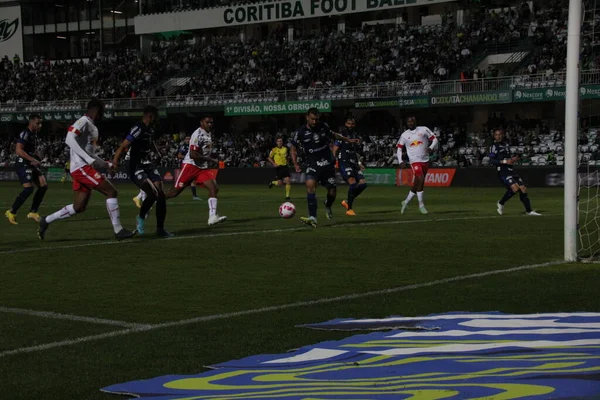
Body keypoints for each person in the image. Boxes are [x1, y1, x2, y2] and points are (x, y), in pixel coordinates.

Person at [38, 99, 135, 240]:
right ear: (96, 111)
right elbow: (69, 138)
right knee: (111, 191)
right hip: (81, 168)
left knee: (79, 206)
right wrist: (87, 159)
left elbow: (90, 153)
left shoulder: (92, 127)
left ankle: (45, 220)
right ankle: (118, 230)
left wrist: (106, 164)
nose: (103, 114)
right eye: (102, 111)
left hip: (82, 167)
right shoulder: (83, 121)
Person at [290, 108, 360, 227]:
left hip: (327, 163)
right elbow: (293, 148)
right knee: (310, 185)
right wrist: (295, 164)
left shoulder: (323, 126)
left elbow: (334, 135)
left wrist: (347, 140)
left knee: (332, 193)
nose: (315, 122)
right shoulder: (300, 132)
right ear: (307, 117)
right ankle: (313, 217)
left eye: (317, 119)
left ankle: (328, 205)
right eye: (312, 119)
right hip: (312, 164)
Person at [112, 105, 173, 237]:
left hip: (147, 163)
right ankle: (140, 218)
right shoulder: (138, 127)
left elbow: (150, 143)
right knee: (153, 193)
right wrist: (115, 161)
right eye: (156, 117)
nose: (157, 120)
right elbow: (124, 145)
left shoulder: (150, 129)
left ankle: (160, 229)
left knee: (160, 195)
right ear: (150, 116)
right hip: (134, 165)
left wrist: (157, 153)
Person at [166, 115, 227, 226]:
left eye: (211, 122)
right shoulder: (197, 134)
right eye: (207, 122)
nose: (210, 124)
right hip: (190, 166)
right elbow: (193, 155)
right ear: (201, 122)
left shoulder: (208, 133)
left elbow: (203, 151)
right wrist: (211, 159)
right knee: (174, 192)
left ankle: (212, 217)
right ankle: (154, 201)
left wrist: (212, 157)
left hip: (201, 168)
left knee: (214, 188)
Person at [5, 114, 48, 225]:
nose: (40, 125)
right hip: (23, 163)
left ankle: (33, 212)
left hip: (30, 163)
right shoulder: (25, 133)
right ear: (31, 122)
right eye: (38, 123)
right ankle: (11, 212)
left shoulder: (34, 135)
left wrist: (36, 157)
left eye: (41, 123)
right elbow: (18, 150)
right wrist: (32, 159)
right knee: (28, 189)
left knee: (43, 186)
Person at [489, 129, 541, 216]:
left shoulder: (506, 145)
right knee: (515, 188)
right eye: (497, 135)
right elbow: (491, 160)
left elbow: (507, 158)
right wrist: (505, 162)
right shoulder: (494, 146)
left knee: (523, 189)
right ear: (494, 136)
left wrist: (513, 159)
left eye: (501, 134)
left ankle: (529, 211)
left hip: (510, 170)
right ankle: (501, 203)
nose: (499, 136)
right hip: (502, 170)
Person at [397, 116, 438, 215]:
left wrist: (431, 147)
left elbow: (435, 139)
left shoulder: (424, 129)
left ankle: (406, 202)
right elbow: (399, 148)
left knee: (418, 183)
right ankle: (421, 205)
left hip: (425, 160)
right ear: (406, 123)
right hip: (414, 161)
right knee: (420, 178)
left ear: (415, 122)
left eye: (412, 121)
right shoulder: (404, 135)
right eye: (409, 122)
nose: (411, 123)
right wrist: (400, 161)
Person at [333, 116, 367, 216]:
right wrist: (335, 162)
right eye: (348, 124)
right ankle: (349, 209)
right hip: (344, 161)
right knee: (352, 183)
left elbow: (355, 151)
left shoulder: (355, 135)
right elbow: (335, 149)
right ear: (345, 124)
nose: (350, 126)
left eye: (352, 124)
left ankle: (347, 201)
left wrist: (360, 163)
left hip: (354, 163)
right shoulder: (342, 135)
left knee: (363, 184)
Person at [267, 135, 291, 200]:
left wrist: (288, 159)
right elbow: (269, 158)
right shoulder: (274, 149)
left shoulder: (285, 149)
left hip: (285, 166)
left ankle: (287, 196)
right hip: (278, 168)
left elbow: (287, 156)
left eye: (281, 141)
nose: (280, 142)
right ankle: (273, 182)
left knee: (288, 180)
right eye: (278, 141)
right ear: (276, 142)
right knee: (280, 183)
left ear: (282, 142)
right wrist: (274, 164)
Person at [177, 135, 200, 200]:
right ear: (184, 140)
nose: (188, 140)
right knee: (182, 182)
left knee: (192, 181)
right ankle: (172, 193)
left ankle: (195, 196)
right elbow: (179, 155)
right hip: (186, 165)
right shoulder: (183, 147)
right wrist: (187, 158)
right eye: (186, 139)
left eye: (189, 139)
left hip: (192, 165)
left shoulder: (192, 146)